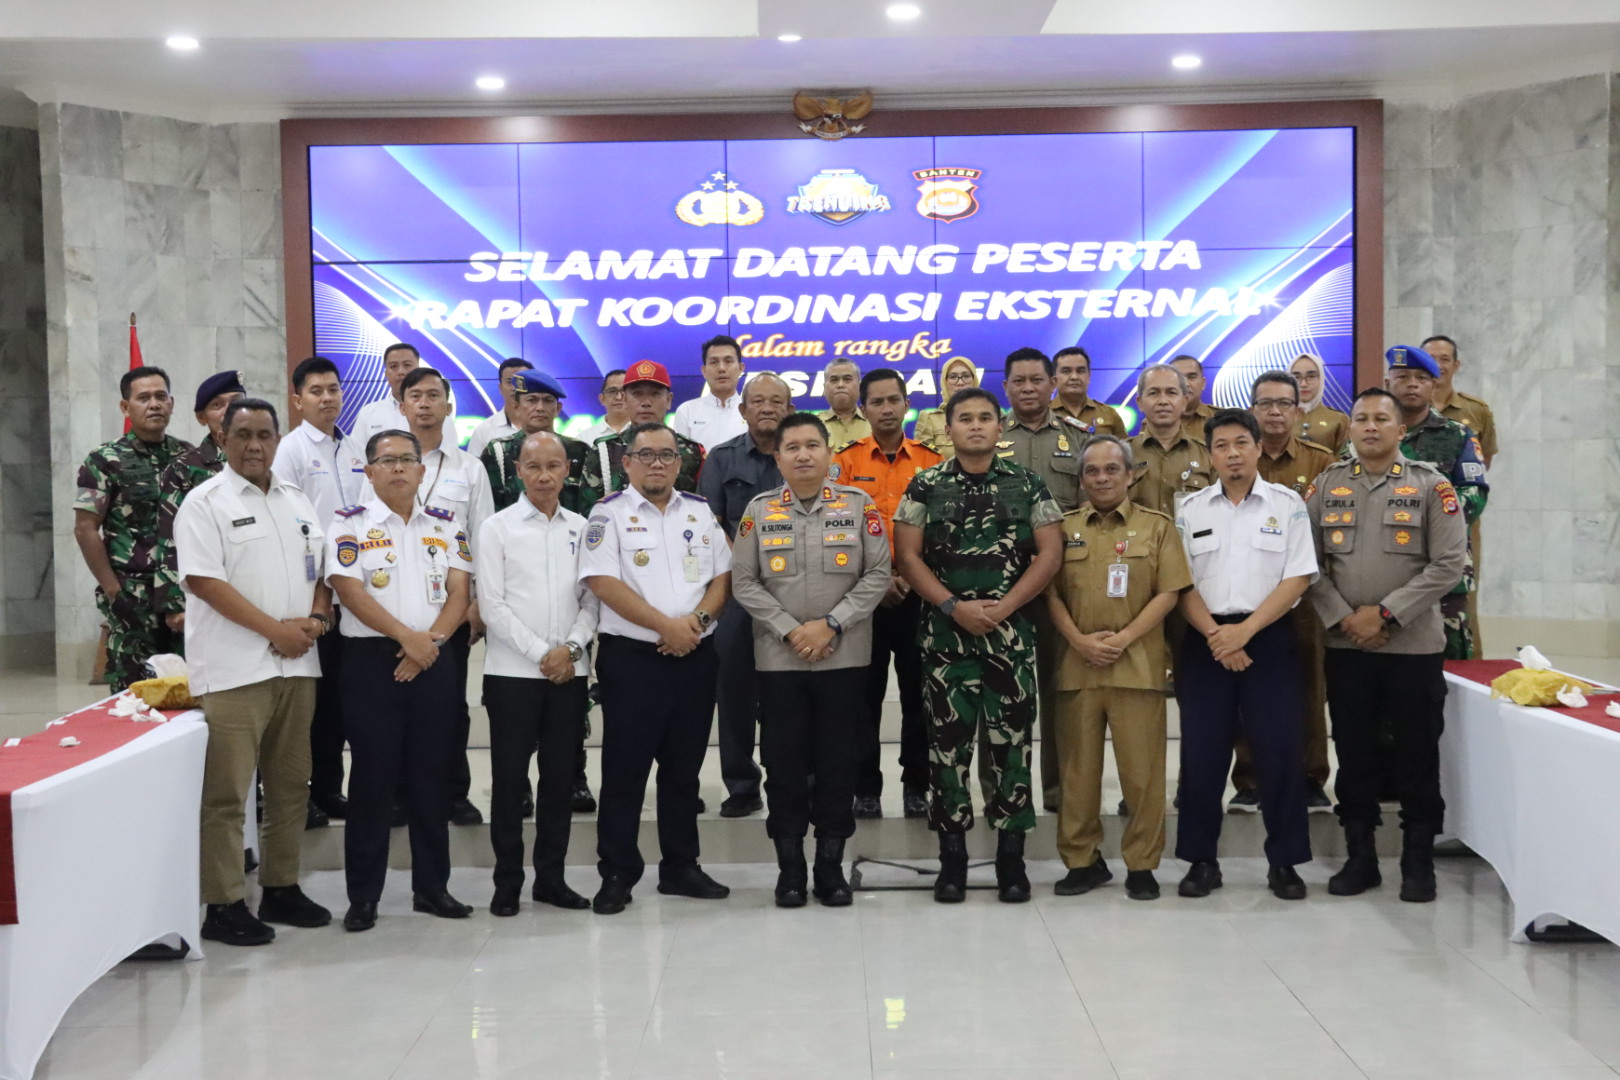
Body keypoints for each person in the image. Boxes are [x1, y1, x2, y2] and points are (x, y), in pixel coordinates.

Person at [894, 388, 1063, 904]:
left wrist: (1006, 606)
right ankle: (953, 861)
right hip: (946, 639)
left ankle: (1012, 861)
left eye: (984, 417)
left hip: (1008, 638)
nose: (974, 425)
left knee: (1013, 749)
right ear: (947, 429)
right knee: (947, 752)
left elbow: (1050, 553)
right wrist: (953, 607)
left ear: (999, 426)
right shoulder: (925, 484)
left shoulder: (1027, 483)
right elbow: (907, 555)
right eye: (964, 418)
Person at [175, 398, 333, 946]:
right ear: (221, 438)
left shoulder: (296, 500)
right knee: (226, 795)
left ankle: (281, 886)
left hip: (298, 666)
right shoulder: (205, 503)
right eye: (242, 434)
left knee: (290, 786)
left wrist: (316, 619)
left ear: (277, 440)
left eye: (265, 434)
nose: (254, 445)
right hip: (234, 671)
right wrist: (275, 631)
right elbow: (205, 583)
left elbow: (323, 572)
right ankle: (222, 904)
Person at [1306, 388, 1467, 904]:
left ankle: (1419, 861)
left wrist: (1386, 614)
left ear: (1401, 430)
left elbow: (1449, 564)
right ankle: (1361, 858)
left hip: (1413, 648)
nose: (1370, 427)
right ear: (1350, 429)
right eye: (1361, 419)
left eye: (1381, 419)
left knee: (1418, 754)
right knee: (1354, 754)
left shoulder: (1431, 486)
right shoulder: (1326, 485)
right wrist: (1344, 618)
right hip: (1347, 647)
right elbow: (1307, 563)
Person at [731, 412, 891, 907]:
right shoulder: (758, 511)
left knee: (839, 763)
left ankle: (830, 866)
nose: (803, 455)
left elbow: (878, 573)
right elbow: (744, 582)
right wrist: (791, 629)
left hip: (844, 658)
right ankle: (790, 869)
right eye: (792, 447)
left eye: (812, 445)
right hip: (779, 661)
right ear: (777, 458)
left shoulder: (858, 504)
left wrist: (831, 625)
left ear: (829, 453)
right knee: (783, 765)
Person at [579, 423, 732, 915]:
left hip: (695, 656)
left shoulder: (699, 511)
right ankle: (617, 872)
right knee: (625, 772)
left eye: (667, 455)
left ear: (679, 463)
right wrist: (667, 627)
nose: (658, 463)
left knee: (684, 772)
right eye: (646, 455)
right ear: (627, 463)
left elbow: (723, 576)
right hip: (634, 661)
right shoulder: (607, 514)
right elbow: (602, 582)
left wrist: (697, 623)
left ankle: (681, 866)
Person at [326, 429, 476, 931]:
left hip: (434, 657)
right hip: (372, 663)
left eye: (407, 460)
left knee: (432, 775)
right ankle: (363, 896)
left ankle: (432, 888)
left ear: (421, 470)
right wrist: (407, 639)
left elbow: (459, 592)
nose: (397, 468)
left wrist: (428, 644)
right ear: (368, 472)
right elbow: (349, 591)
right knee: (373, 778)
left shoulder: (446, 525)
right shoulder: (348, 524)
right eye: (386, 461)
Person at [1173, 409, 1318, 901]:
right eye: (1221, 446)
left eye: (1241, 443)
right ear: (1210, 454)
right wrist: (1219, 635)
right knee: (1202, 754)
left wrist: (1245, 632)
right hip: (1206, 639)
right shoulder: (1192, 509)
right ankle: (1200, 861)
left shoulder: (1288, 504)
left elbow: (1298, 577)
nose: (1232, 453)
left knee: (1280, 752)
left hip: (1269, 638)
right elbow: (1179, 582)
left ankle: (1285, 862)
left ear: (1258, 447)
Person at [1044, 436, 1189, 901]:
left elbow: (1170, 592)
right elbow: (1049, 593)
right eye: (1092, 471)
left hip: (1137, 667)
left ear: (1130, 475)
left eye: (1111, 469)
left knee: (1143, 776)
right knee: (1077, 775)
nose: (1102, 478)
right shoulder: (1062, 528)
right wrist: (1078, 640)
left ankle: (1142, 865)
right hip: (1078, 665)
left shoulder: (1157, 527)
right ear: (1081, 479)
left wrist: (1124, 639)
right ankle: (1082, 861)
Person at [357, 366, 494, 826]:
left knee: (450, 706)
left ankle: (454, 793)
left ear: (448, 406)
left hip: (449, 611)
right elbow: (364, 524)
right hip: (392, 611)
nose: (424, 403)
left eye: (433, 395)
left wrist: (476, 603)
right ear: (401, 406)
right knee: (396, 705)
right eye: (415, 395)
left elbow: (482, 537)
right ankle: (399, 794)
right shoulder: (379, 462)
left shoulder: (469, 469)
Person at [477, 431, 600, 916]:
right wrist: (542, 654)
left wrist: (570, 650)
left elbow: (592, 600)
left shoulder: (583, 527)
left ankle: (551, 879)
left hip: (569, 673)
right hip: (512, 675)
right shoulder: (496, 528)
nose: (544, 476)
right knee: (509, 783)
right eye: (533, 466)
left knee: (558, 781)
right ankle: (506, 882)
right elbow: (492, 605)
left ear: (567, 470)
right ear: (518, 472)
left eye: (553, 466)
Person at [833, 369, 941, 819]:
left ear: (906, 404)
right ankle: (866, 789)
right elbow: (837, 531)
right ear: (864, 408)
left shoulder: (932, 462)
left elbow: (941, 533)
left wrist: (912, 578)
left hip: (920, 595)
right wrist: (878, 583)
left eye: (894, 400)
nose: (886, 409)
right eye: (876, 402)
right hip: (865, 599)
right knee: (864, 698)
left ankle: (917, 786)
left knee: (919, 696)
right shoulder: (845, 463)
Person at [1230, 371, 1336, 814]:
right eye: (1266, 403)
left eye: (1284, 404)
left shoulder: (1322, 462)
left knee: (1310, 687)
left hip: (1304, 598)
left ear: (1298, 409)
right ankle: (1249, 778)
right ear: (1253, 409)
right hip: (1244, 596)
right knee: (1244, 688)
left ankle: (1310, 777)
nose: (1275, 412)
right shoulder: (1235, 458)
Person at [274, 356, 368, 823]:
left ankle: (330, 788)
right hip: (316, 595)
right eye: (316, 391)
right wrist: (319, 594)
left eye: (333, 388)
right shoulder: (290, 451)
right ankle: (303, 794)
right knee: (309, 701)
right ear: (298, 400)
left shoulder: (353, 448)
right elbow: (290, 525)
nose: (327, 397)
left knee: (339, 701)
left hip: (356, 592)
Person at [697, 373, 795, 819]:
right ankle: (741, 785)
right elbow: (710, 523)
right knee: (733, 690)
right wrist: (745, 568)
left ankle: (791, 781)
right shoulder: (722, 458)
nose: (767, 408)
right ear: (743, 409)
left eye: (776, 401)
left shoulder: (803, 453)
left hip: (794, 592)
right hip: (736, 593)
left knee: (787, 692)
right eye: (758, 401)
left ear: (790, 409)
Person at [997, 347, 1084, 812]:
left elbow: (1089, 512)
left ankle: (1056, 789)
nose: (1028, 389)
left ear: (1053, 384)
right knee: (1002, 693)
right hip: (997, 583)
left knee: (1059, 689)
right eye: (1019, 381)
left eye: (1037, 380)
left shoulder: (1079, 439)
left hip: (1059, 584)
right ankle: (1004, 791)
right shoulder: (988, 436)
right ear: (1006, 386)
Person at [73, 366, 192, 690]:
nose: (154, 404)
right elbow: (85, 529)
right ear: (126, 407)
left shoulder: (188, 458)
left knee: (187, 691)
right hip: (132, 598)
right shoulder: (105, 460)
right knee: (132, 695)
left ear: (171, 403)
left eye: (161, 396)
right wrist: (113, 591)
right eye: (144, 398)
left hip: (184, 596)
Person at [1385, 345, 1488, 660]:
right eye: (1403, 377)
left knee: (1451, 666)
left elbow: (1474, 494)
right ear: (1388, 383)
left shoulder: (1458, 435)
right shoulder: (1368, 435)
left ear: (1433, 385)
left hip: (1443, 571)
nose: (1412, 384)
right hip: (1385, 569)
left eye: (1421, 378)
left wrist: (1422, 523)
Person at [154, 370, 247, 643]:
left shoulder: (268, 458)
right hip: (207, 590)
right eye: (218, 405)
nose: (229, 411)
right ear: (201, 417)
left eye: (236, 402)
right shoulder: (185, 468)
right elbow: (169, 537)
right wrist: (174, 604)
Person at [1424, 334, 1496, 656]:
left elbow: (1483, 465)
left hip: (1462, 523)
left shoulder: (1475, 411)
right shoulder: (1406, 408)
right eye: (1431, 359)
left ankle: (1469, 670)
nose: (1438, 365)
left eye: (1445, 359)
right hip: (1410, 519)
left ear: (1456, 365)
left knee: (1464, 598)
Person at [580, 360, 705, 512]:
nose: (646, 402)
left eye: (655, 394)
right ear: (625, 400)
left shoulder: (692, 452)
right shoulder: (604, 451)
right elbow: (589, 512)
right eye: (637, 394)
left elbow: (702, 509)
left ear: (669, 400)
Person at [482, 370, 589, 513]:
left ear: (558, 409)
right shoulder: (498, 451)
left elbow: (589, 506)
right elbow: (487, 507)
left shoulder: (579, 450)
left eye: (548, 401)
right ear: (516, 407)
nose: (540, 408)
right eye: (532, 400)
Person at [1127, 365, 1214, 519]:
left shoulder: (1207, 455)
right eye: (1153, 393)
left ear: (1184, 401)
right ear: (1140, 402)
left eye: (1171, 393)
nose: (1163, 401)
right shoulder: (1122, 455)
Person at [351, 342, 460, 448]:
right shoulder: (369, 412)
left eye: (407, 365)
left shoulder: (436, 412)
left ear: (418, 368)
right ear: (386, 373)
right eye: (393, 366)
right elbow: (356, 454)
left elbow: (450, 453)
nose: (401, 372)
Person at [672, 335, 749, 451]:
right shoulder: (687, 411)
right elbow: (682, 457)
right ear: (704, 371)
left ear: (740, 368)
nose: (721, 368)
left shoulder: (752, 411)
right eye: (714, 362)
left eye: (728, 361)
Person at [464, 357, 535, 459]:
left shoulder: (544, 426)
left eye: (521, 381)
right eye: (510, 381)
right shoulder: (483, 431)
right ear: (500, 388)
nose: (515, 388)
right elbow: (473, 468)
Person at [1051, 346, 1126, 437]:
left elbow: (1124, 446)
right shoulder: (1042, 414)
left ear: (1089, 376)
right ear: (1054, 378)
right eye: (1066, 371)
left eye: (1080, 371)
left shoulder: (1109, 414)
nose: (1074, 377)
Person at [911, 356, 977, 457]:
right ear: (944, 382)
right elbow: (923, 460)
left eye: (966, 376)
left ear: (974, 380)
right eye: (953, 377)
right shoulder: (930, 419)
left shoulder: (994, 415)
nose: (960, 382)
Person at [1290, 353, 1350, 454]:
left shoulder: (1339, 419)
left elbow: (1346, 459)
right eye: (1296, 377)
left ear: (1321, 379)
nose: (1303, 384)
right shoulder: (1280, 419)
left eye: (1311, 376)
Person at [818, 357, 871, 448]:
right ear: (824, 388)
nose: (840, 385)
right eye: (834, 380)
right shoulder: (813, 425)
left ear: (859, 386)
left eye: (847, 379)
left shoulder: (874, 423)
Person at [576, 369, 632, 446]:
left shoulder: (645, 433)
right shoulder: (585, 438)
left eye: (624, 391)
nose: (619, 397)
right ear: (602, 399)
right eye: (612, 391)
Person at [1170, 354, 1215, 442]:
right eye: (1179, 378)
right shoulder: (1156, 421)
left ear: (1203, 383)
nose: (1186, 384)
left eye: (1192, 377)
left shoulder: (1220, 418)